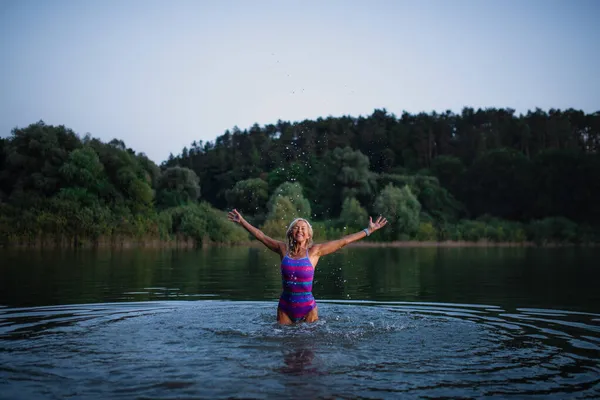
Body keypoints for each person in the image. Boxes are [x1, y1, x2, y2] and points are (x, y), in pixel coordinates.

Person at [227, 209, 388, 325]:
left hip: (308, 308)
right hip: (285, 307)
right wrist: (242, 222)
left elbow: (342, 242)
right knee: (285, 349)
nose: (299, 230)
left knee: (309, 348)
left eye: (303, 228)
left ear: (308, 234)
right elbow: (261, 236)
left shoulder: (314, 252)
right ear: (291, 232)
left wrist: (368, 230)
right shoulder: (283, 249)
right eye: (296, 227)